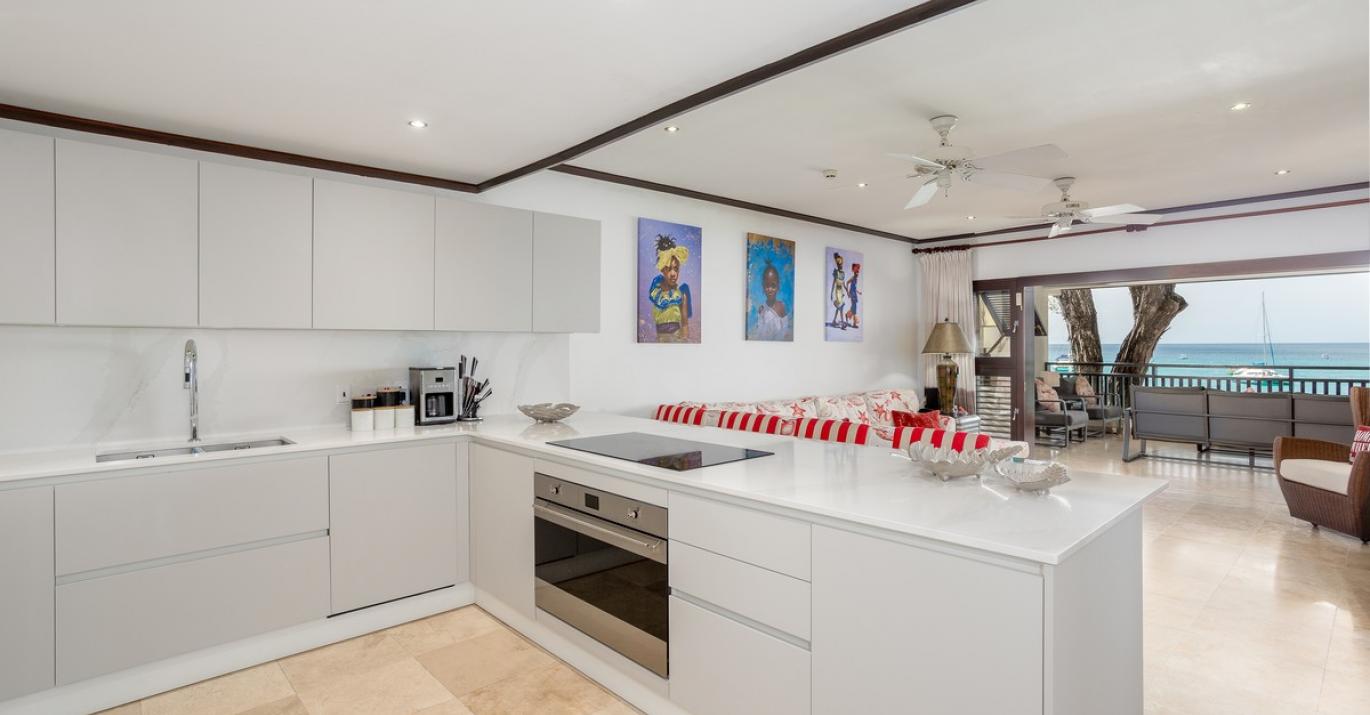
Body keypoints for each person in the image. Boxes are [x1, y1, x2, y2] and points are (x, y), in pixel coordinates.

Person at [647, 234, 693, 342]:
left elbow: (685, 324)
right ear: (662, 269)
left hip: (677, 340)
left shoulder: (681, 295)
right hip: (660, 341)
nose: (673, 273)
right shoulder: (656, 293)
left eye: (676, 269)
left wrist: (684, 341)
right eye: (669, 269)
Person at [754, 262, 790, 340]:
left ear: (778, 286)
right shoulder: (762, 308)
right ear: (763, 287)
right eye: (767, 286)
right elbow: (759, 332)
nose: (770, 289)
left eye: (773, 286)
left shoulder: (781, 306)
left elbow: (785, 330)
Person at [829, 252, 848, 329]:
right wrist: (831, 294)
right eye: (839, 265)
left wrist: (847, 291)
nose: (841, 266)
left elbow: (843, 283)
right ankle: (843, 323)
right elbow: (833, 284)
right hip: (837, 292)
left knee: (839, 307)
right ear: (837, 265)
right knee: (840, 307)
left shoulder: (843, 273)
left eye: (841, 264)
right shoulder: (836, 273)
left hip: (841, 292)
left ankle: (834, 321)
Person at [845, 263, 862, 329]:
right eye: (857, 273)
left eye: (858, 272)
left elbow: (854, 287)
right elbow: (847, 283)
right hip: (852, 294)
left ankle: (847, 314)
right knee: (854, 308)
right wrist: (848, 292)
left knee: (853, 307)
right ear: (854, 272)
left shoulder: (856, 279)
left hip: (854, 293)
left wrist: (858, 292)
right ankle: (854, 324)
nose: (858, 274)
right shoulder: (852, 278)